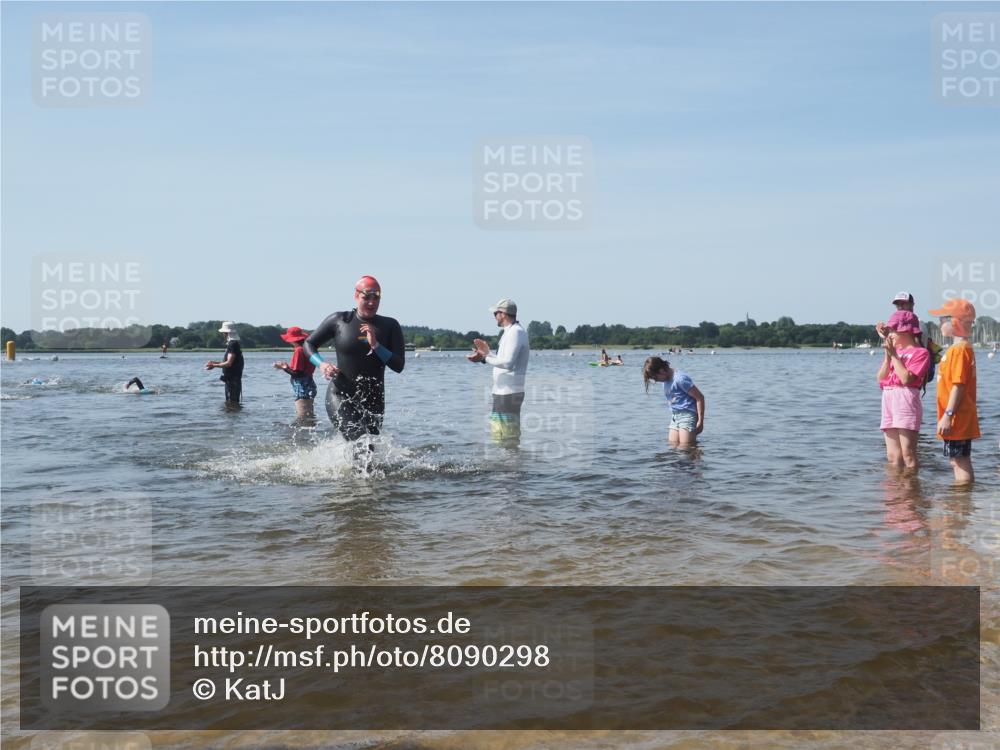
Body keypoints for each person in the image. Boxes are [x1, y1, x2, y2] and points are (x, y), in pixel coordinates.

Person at [303, 276, 405, 441]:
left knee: (369, 451)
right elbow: (308, 344)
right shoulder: (339, 321)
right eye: (366, 297)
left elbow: (398, 366)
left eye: (376, 297)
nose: (371, 302)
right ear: (356, 296)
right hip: (341, 395)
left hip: (374, 400)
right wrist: (321, 364)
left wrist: (376, 346)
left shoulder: (390, 326)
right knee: (361, 442)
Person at [928, 298, 980, 483]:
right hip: (958, 414)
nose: (939, 323)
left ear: (955, 322)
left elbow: (959, 385)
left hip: (957, 415)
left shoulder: (959, 350)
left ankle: (962, 503)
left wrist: (948, 415)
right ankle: (962, 502)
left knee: (959, 461)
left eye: (943, 319)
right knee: (957, 460)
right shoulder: (959, 349)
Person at [467, 299, 529, 443]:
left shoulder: (516, 332)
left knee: (508, 437)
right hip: (502, 393)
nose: (494, 316)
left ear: (503, 314)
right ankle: (504, 465)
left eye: (496, 313)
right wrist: (485, 355)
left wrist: (485, 357)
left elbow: (508, 363)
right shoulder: (509, 332)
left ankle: (512, 464)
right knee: (498, 436)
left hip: (509, 393)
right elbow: (502, 359)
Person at [874, 310, 930, 471]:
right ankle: (895, 492)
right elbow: (880, 378)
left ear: (906, 331)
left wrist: (894, 356)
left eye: (893, 330)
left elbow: (906, 379)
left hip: (905, 400)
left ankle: (912, 491)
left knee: (908, 453)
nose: (890, 334)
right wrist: (888, 356)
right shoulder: (894, 352)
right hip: (889, 399)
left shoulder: (921, 353)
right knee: (893, 456)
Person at [642, 356, 705, 446]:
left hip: (687, 416)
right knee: (673, 447)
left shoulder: (680, 379)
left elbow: (700, 398)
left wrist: (700, 422)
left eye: (655, 378)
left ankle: (697, 458)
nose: (655, 381)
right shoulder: (665, 380)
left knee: (686, 448)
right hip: (675, 416)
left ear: (662, 371)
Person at [273, 326, 317, 421]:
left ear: (292, 340)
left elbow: (297, 373)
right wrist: (286, 366)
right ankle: (309, 431)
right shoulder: (307, 349)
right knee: (309, 413)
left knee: (303, 415)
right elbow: (302, 370)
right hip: (309, 382)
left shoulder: (299, 350)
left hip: (302, 385)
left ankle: (303, 433)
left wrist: (284, 367)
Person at [205, 321, 244, 406]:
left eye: (223, 333)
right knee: (233, 403)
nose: (222, 334)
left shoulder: (232, 344)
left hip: (232, 380)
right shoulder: (234, 344)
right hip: (233, 379)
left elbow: (229, 363)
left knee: (231, 403)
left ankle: (232, 417)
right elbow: (230, 362)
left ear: (226, 333)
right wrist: (215, 363)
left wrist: (214, 365)